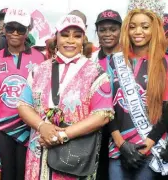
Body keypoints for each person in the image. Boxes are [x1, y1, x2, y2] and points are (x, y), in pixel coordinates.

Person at [17, 14, 114, 180]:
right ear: (56, 37)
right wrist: (42, 126)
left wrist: (62, 135)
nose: (70, 40)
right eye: (65, 35)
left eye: (77, 36)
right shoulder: (39, 70)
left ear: (83, 40)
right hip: (38, 155)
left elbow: (103, 115)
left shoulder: (96, 73)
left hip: (74, 157)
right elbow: (23, 105)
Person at [107, 0, 168, 179]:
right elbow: (105, 106)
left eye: (145, 26)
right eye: (132, 27)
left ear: (154, 29)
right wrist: (121, 143)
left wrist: (148, 143)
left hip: (151, 148)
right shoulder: (113, 62)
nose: (138, 32)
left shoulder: (167, 63)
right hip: (117, 148)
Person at [0, 8, 45, 180]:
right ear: (4, 30)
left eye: (21, 29)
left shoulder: (41, 59)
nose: (15, 33)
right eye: (10, 28)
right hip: (2, 131)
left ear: (28, 31)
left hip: (31, 130)